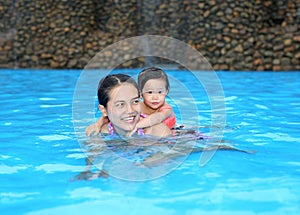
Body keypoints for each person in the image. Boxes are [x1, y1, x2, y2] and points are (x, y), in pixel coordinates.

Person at [86, 67, 176, 136]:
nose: (130, 110)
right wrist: (97, 125)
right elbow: (105, 117)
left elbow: (158, 117)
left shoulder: (160, 130)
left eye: (135, 101)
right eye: (120, 104)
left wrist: (137, 126)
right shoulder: (102, 132)